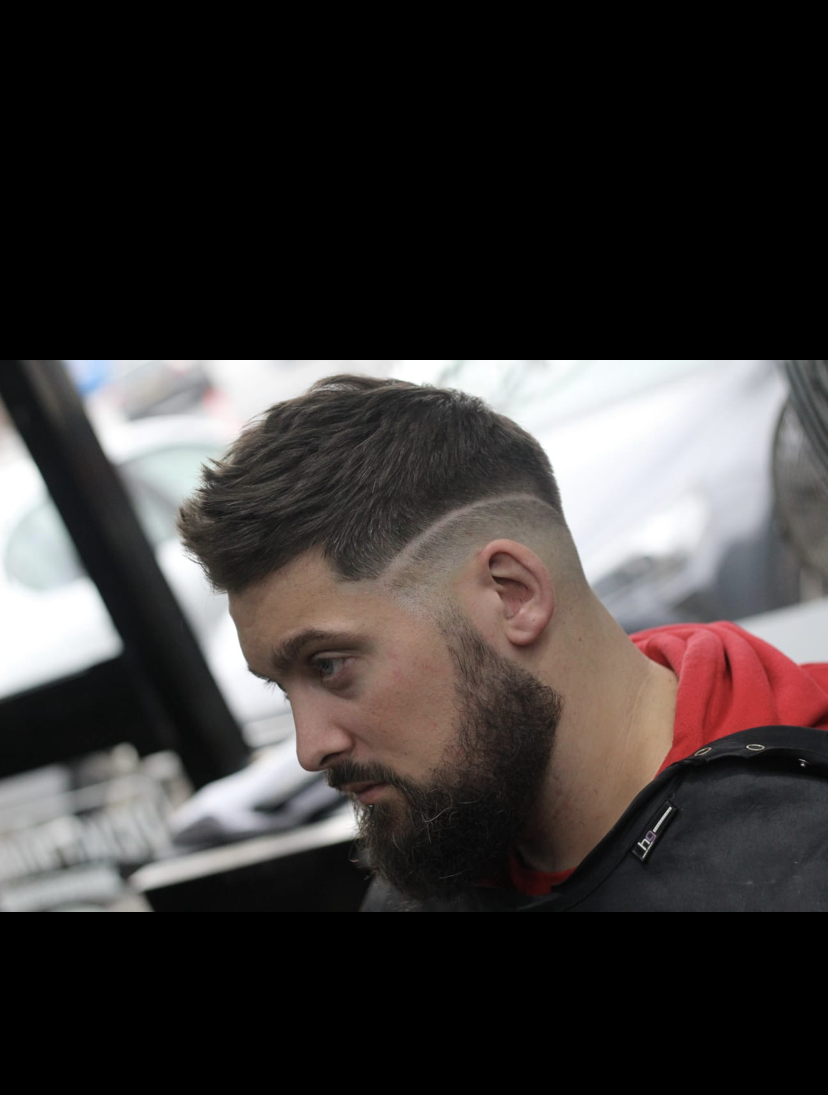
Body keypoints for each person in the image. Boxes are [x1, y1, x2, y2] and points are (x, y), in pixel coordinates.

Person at [176, 374, 828, 912]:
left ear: (512, 594)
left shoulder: (804, 836)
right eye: (281, 687)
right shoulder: (430, 866)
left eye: (329, 665)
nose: (310, 749)